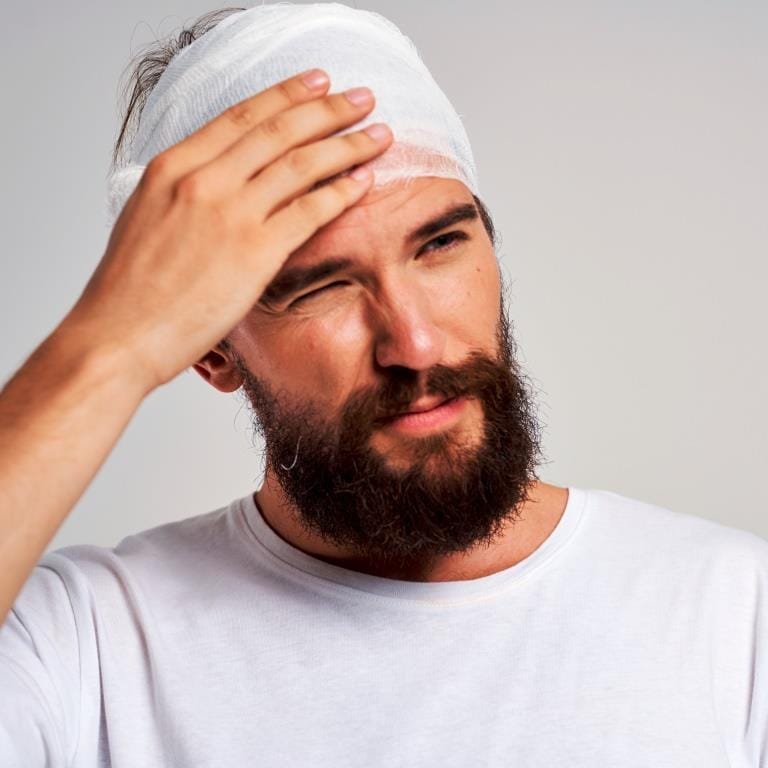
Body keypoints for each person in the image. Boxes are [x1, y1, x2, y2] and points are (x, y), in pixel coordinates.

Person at [0, 3, 765, 766]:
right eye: (321, 286)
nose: (416, 343)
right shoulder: (86, 648)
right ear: (209, 351)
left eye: (440, 243)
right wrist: (110, 345)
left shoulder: (736, 617)